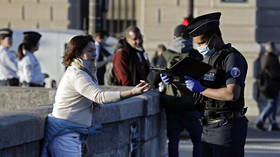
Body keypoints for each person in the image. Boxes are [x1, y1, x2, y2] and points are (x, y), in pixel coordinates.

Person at [41, 35, 151, 157]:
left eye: (95, 50)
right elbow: (99, 97)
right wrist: (132, 92)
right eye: (90, 51)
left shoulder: (84, 71)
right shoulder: (77, 74)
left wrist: (82, 138)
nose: (94, 54)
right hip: (65, 136)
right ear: (78, 53)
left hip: (72, 133)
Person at [161, 12, 248, 157]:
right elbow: (198, 95)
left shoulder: (231, 58)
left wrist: (201, 88)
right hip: (208, 126)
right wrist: (175, 83)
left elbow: (232, 94)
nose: (200, 47)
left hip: (226, 126)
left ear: (214, 38)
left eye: (202, 43)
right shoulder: (207, 59)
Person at [159, 24, 203, 157]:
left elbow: (152, 79)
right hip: (192, 106)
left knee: (173, 142)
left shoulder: (165, 55)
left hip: (172, 106)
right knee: (198, 141)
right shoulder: (195, 54)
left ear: (174, 37)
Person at [255, 41, 280, 131]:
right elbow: (275, 73)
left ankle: (273, 123)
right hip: (273, 84)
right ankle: (260, 121)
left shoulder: (264, 56)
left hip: (268, 84)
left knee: (272, 103)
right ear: (271, 48)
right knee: (272, 104)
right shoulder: (271, 57)